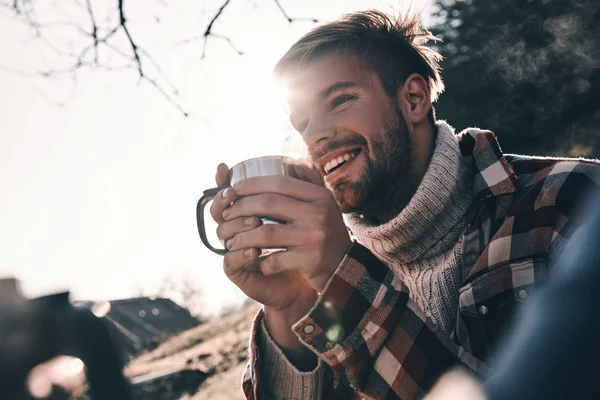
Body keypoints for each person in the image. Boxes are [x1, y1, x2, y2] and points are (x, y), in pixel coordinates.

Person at [208, 9, 600, 400]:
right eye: (302, 122)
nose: (316, 134)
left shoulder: (572, 197)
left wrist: (340, 275)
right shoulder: (330, 277)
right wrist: (290, 305)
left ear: (414, 98)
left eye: (340, 100)